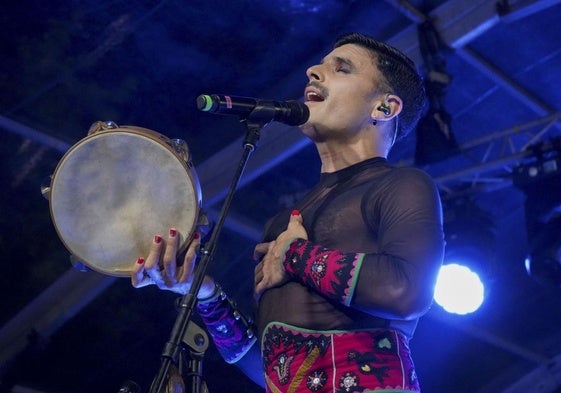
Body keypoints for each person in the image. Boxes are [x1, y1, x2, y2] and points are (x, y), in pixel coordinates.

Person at [132, 32, 445, 393]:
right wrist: (204, 294)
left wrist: (295, 254)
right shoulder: (281, 225)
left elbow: (406, 292)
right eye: (319, 65)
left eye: (341, 69)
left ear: (384, 108)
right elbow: (271, 370)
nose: (313, 71)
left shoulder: (402, 185)